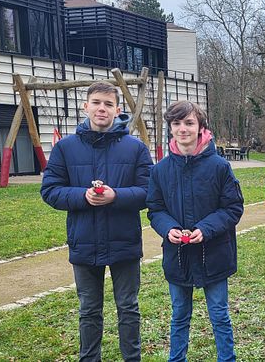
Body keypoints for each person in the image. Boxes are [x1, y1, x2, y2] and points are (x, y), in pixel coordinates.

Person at [41, 82, 152, 361]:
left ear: (117, 110)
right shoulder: (65, 148)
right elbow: (50, 190)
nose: (102, 108)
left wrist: (116, 196)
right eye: (96, 102)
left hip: (124, 240)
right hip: (84, 241)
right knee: (89, 310)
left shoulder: (135, 148)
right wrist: (82, 196)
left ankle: (132, 359)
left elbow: (150, 191)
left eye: (108, 104)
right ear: (85, 106)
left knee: (128, 307)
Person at [146, 100, 244, 362]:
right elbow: (154, 209)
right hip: (177, 256)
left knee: (220, 315)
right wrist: (169, 229)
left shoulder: (220, 167)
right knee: (179, 315)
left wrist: (206, 228)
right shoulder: (160, 170)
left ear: (201, 128)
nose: (182, 129)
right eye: (176, 123)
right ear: (170, 128)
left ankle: (227, 358)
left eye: (189, 123)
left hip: (214, 253)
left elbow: (233, 208)